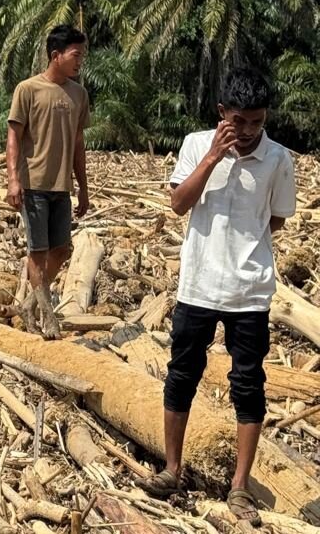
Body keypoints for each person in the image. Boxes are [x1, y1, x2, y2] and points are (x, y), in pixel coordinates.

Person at [134, 68, 296, 526]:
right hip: (199, 285)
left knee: (248, 385)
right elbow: (178, 204)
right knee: (182, 374)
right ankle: (172, 470)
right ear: (222, 112)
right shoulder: (195, 145)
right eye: (238, 121)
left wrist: (245, 248)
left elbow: (277, 219)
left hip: (250, 291)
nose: (246, 131)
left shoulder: (278, 158)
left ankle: (239, 486)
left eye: (256, 122)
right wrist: (212, 157)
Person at [5, 25, 90, 339]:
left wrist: (83, 187)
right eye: (75, 55)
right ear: (56, 55)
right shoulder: (28, 89)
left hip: (61, 186)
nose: (80, 62)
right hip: (34, 184)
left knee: (61, 250)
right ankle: (47, 315)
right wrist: (13, 179)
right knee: (37, 252)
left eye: (81, 56)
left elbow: (78, 144)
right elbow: (13, 137)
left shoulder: (79, 94)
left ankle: (30, 304)